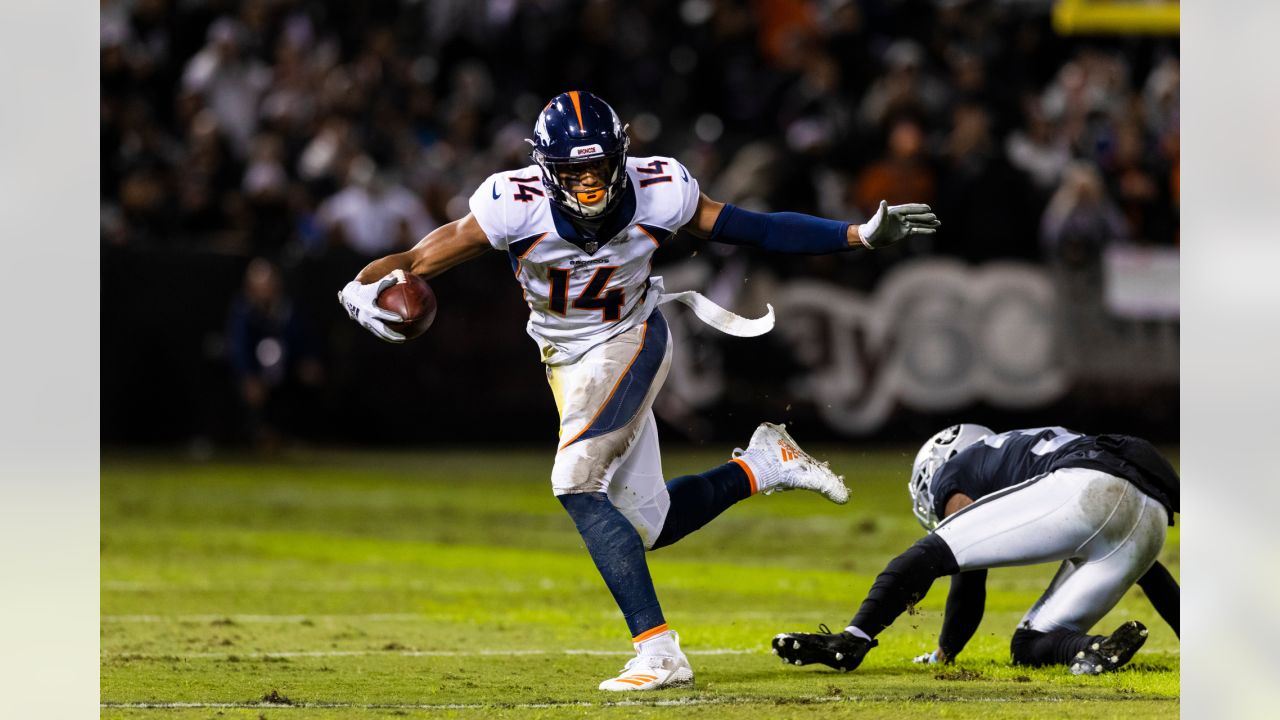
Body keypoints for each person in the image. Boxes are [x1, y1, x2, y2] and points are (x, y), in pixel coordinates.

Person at [336, 91, 940, 691]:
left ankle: (659, 651)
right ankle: (761, 465)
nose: (592, 185)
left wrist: (856, 234)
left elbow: (752, 228)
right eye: (575, 172)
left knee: (574, 481)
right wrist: (359, 292)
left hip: (631, 338)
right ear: (546, 171)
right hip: (565, 360)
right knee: (651, 524)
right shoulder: (510, 205)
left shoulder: (661, 189)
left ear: (621, 156)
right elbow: (414, 260)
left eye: (600, 167)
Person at [772, 425, 1180, 676]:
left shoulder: (958, 468)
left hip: (1086, 488)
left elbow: (962, 566)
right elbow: (1151, 573)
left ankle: (852, 639)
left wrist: (943, 652)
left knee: (922, 556)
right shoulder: (1021, 448)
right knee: (1030, 645)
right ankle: (1094, 649)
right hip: (1152, 513)